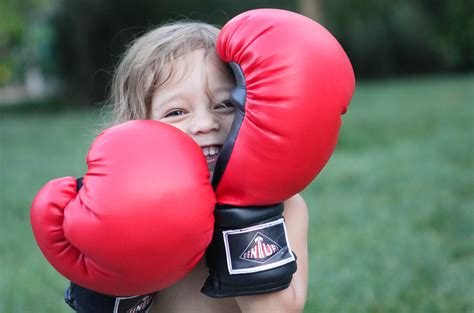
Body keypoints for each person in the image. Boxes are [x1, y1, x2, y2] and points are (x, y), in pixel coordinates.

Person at [108, 21, 309, 313]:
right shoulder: (124, 208)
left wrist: (245, 214)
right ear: (137, 125)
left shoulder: (285, 205)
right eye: (176, 112)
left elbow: (279, 310)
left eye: (225, 104)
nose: (205, 124)